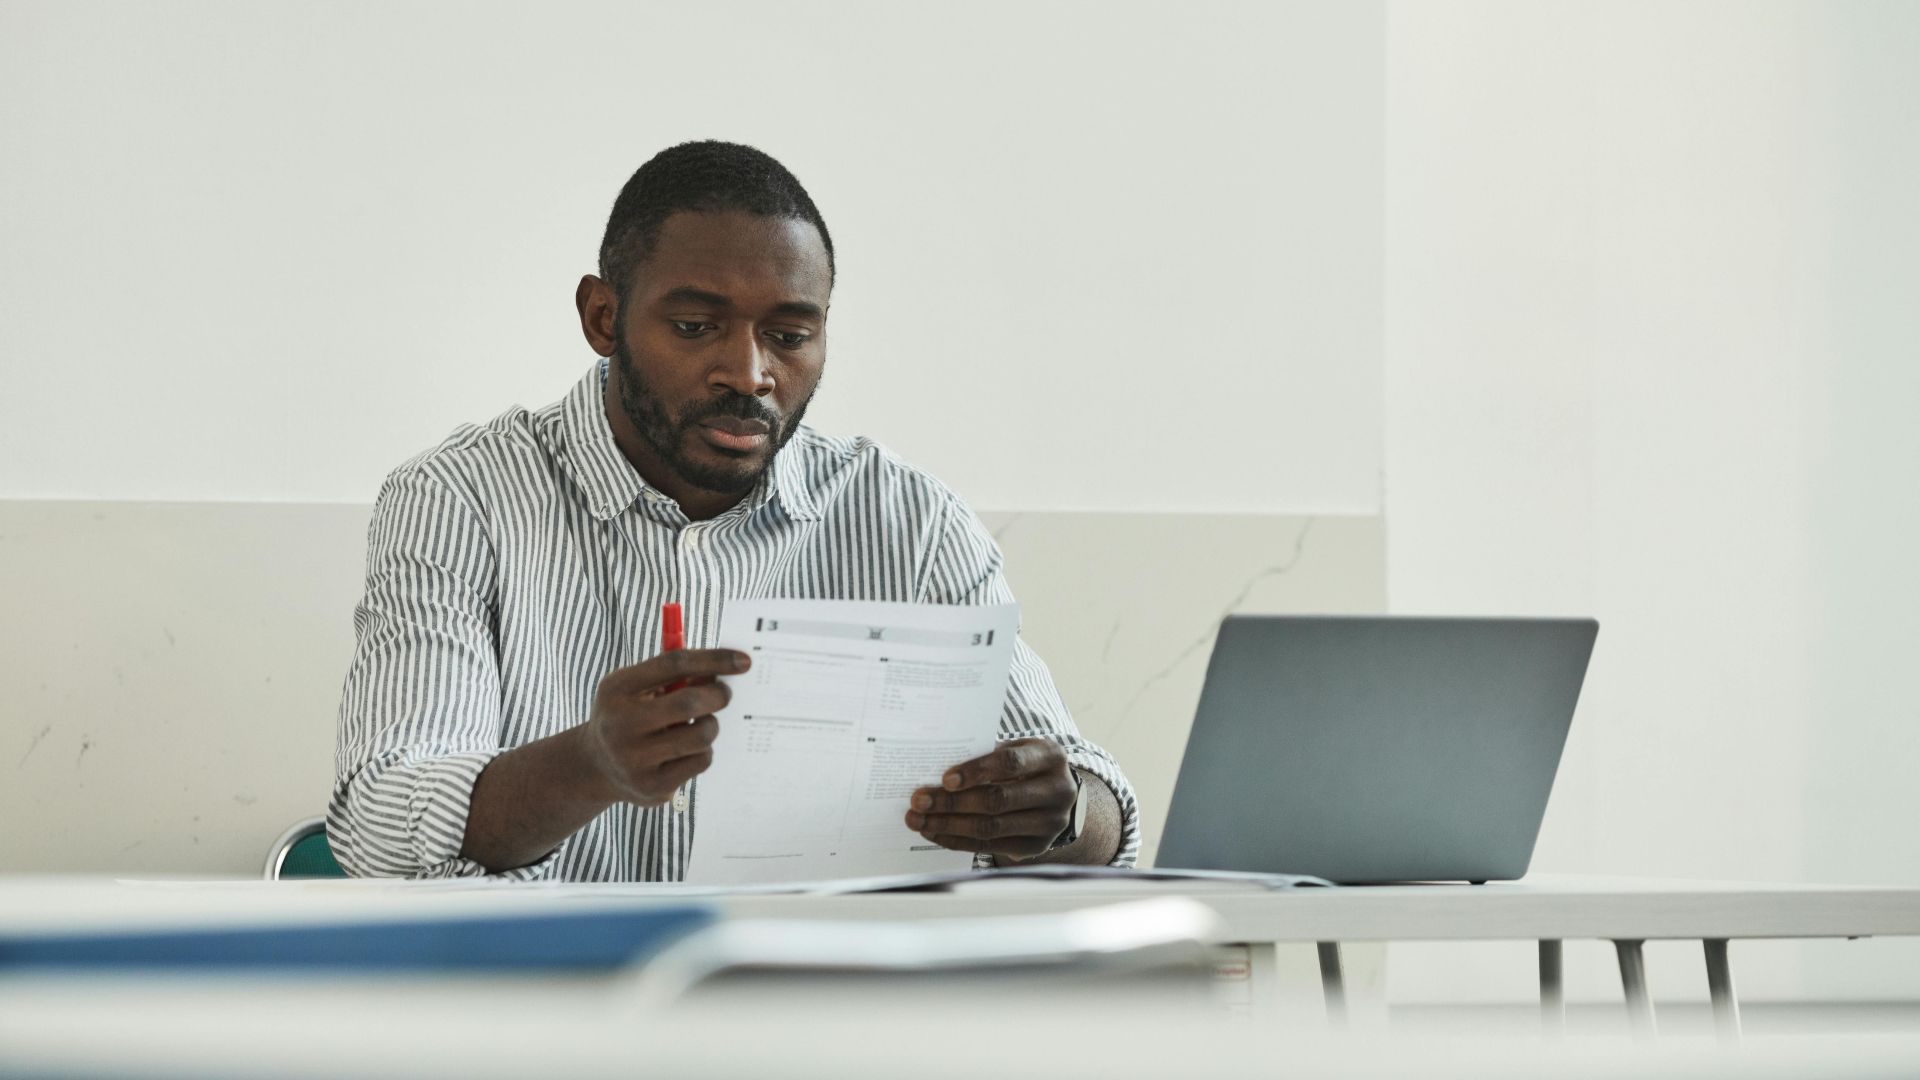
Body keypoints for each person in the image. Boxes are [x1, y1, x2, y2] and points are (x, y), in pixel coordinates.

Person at [329, 140, 1139, 879]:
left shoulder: (911, 522)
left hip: (822, 1010)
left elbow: (1094, 811)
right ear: (602, 317)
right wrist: (594, 764)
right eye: (694, 326)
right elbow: (379, 823)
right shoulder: (460, 499)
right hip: (545, 1015)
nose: (748, 373)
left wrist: (1059, 809)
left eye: (789, 335)